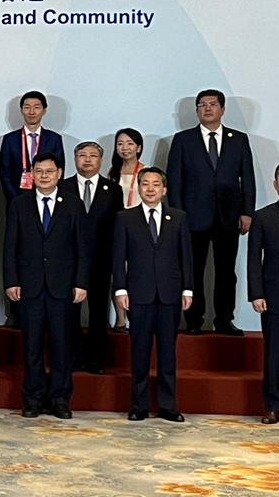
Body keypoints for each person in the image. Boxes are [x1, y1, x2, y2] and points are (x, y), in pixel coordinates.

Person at [4, 153, 90, 420]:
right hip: (29, 287)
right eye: (38, 171)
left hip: (62, 287)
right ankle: (32, 399)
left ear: (59, 173)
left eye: (49, 171)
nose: (44, 176)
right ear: (32, 174)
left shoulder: (73, 205)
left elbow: (82, 248)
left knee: (62, 345)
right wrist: (11, 280)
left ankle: (60, 399)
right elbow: (10, 246)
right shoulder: (19, 205)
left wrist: (80, 282)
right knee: (31, 346)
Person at [167, 89, 256, 336]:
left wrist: (247, 212)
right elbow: (175, 181)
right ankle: (193, 320)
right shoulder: (183, 139)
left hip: (228, 216)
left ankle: (224, 320)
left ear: (223, 109)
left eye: (213, 104)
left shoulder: (238, 139)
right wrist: (177, 215)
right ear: (197, 110)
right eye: (202, 104)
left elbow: (247, 179)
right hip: (192, 217)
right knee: (192, 270)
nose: (207, 108)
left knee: (226, 272)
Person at [113, 167, 193, 422]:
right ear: (138, 188)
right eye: (145, 184)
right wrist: (121, 289)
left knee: (168, 352)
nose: (150, 189)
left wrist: (187, 289)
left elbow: (186, 257)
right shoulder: (125, 218)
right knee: (140, 352)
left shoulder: (178, 218)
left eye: (155, 184)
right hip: (139, 294)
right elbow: (118, 258)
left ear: (164, 190)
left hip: (170, 294)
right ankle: (139, 405)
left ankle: (168, 405)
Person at [70, 141, 124, 375]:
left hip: (101, 260)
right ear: (75, 159)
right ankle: (72, 356)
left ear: (101, 161)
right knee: (70, 312)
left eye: (93, 155)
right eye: (83, 155)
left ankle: (95, 358)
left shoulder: (112, 190)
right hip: (69, 262)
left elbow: (117, 227)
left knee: (98, 312)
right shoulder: (63, 187)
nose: (88, 160)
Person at [249, 164, 279, 424]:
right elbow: (253, 259)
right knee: (273, 353)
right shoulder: (263, 216)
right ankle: (273, 405)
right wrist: (256, 293)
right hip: (273, 296)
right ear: (275, 184)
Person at [108, 128, 146, 332]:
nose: (125, 148)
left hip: (140, 227)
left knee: (138, 273)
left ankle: (138, 317)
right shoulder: (111, 173)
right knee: (118, 273)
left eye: (130, 143)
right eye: (120, 143)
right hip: (116, 227)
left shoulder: (146, 172)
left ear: (139, 147)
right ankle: (120, 320)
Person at [0, 91, 66, 205]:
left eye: (36, 107)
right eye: (27, 107)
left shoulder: (54, 139)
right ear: (21, 110)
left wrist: (47, 196)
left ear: (44, 111)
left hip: (46, 201)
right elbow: (4, 174)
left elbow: (59, 171)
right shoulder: (10, 139)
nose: (31, 112)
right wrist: (16, 200)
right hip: (16, 200)